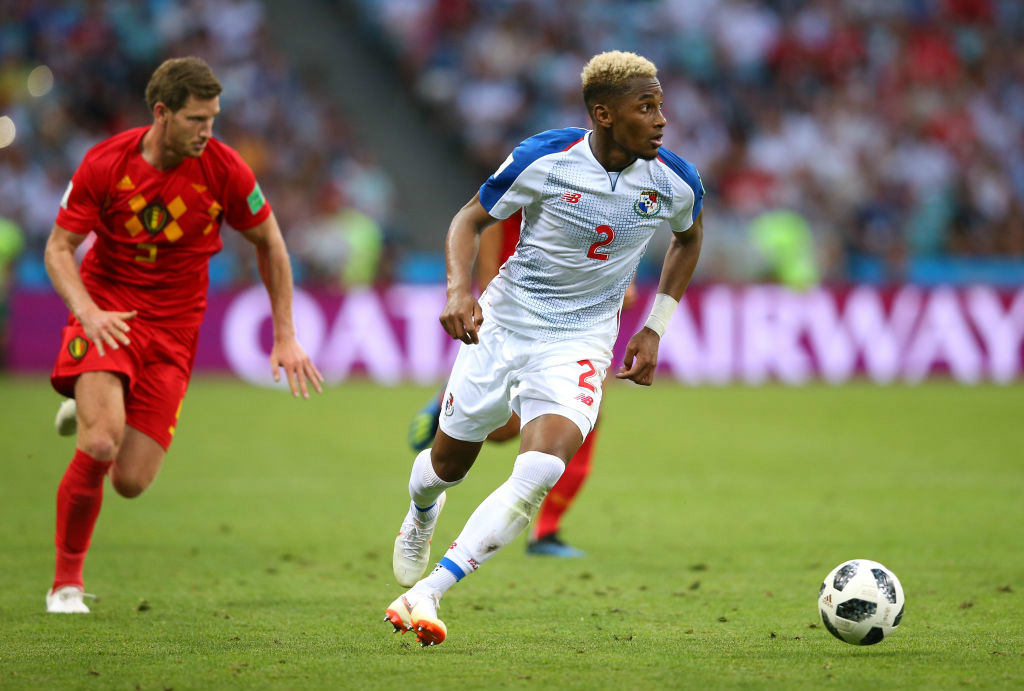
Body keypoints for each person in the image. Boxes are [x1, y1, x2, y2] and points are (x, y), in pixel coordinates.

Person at [385, 50, 704, 646]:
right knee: (445, 468)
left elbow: (688, 240)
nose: (661, 119)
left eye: (660, 105)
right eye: (646, 107)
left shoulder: (675, 180)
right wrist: (459, 291)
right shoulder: (545, 158)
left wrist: (655, 326)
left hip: (581, 339)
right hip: (504, 325)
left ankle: (430, 590)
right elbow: (468, 220)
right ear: (604, 115)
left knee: (541, 467)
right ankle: (421, 513)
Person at [43, 56, 323, 613]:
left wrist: (285, 334)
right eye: (197, 119)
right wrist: (87, 312)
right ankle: (65, 584)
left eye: (213, 119)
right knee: (100, 444)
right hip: (107, 316)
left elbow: (270, 242)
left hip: (174, 331)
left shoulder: (225, 169)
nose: (206, 131)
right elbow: (58, 248)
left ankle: (95, 399)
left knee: (130, 481)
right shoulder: (105, 163)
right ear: (162, 113)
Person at [407, 209, 639, 558]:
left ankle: (547, 530)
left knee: (584, 416)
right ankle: (449, 400)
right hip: (516, 311)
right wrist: (488, 298)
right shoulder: (538, 178)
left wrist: (621, 280)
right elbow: (490, 219)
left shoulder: (621, 188)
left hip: (574, 322)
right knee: (503, 432)